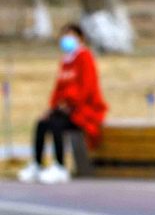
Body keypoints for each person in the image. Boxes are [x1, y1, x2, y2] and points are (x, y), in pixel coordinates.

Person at [18, 24, 107, 184]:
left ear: (81, 38)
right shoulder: (66, 61)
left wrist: (70, 105)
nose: (67, 40)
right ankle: (37, 164)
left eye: (71, 36)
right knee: (42, 123)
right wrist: (52, 108)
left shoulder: (85, 57)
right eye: (65, 36)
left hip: (83, 110)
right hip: (64, 109)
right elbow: (58, 89)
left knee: (56, 125)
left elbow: (87, 87)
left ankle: (60, 166)